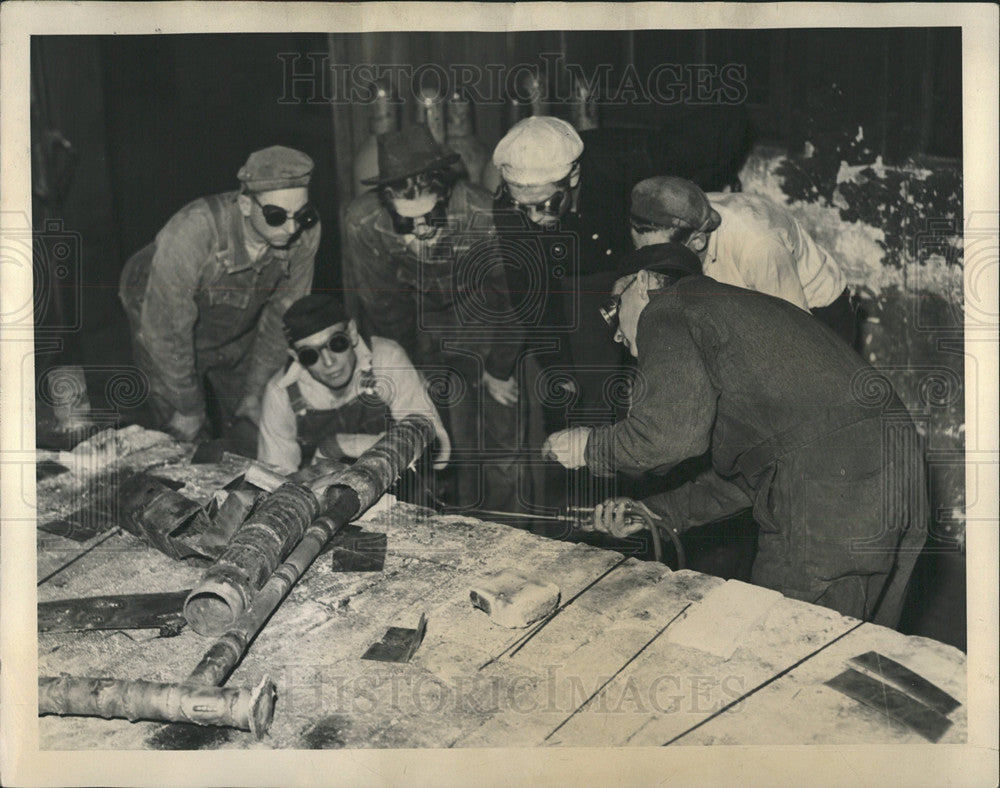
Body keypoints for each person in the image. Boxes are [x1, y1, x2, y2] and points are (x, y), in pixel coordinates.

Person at [541, 242, 927, 628]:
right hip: (895, 465)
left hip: (828, 490)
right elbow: (753, 472)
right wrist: (659, 512)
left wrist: (587, 447)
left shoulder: (667, 306)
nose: (615, 337)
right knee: (858, 652)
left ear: (642, 284)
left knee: (782, 648)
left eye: (613, 310)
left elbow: (668, 437)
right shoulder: (731, 318)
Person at [342, 125, 526, 510]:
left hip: (483, 314)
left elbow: (514, 299)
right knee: (425, 431)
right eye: (407, 222)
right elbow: (383, 307)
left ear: (444, 193)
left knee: (502, 441)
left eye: (430, 215)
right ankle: (440, 521)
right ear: (387, 204)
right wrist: (410, 369)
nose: (422, 231)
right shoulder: (363, 223)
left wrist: (499, 367)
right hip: (418, 318)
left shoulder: (483, 213)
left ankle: (510, 531)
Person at [119, 145, 320, 442]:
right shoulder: (192, 232)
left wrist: (254, 393)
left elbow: (282, 317)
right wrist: (187, 407)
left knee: (258, 420)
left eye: (300, 214)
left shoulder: (306, 231)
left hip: (235, 318)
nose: (291, 228)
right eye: (277, 215)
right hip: (155, 310)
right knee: (185, 434)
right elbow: (167, 331)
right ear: (246, 205)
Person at [628, 176, 859, 346]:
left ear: (697, 241)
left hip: (817, 315)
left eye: (660, 255)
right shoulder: (681, 213)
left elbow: (793, 337)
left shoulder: (758, 246)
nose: (651, 265)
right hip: (750, 300)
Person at [257, 294, 450, 476]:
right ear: (296, 357)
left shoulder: (385, 358)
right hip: (322, 495)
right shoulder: (281, 394)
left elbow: (431, 437)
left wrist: (344, 445)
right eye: (310, 355)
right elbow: (276, 477)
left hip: (400, 482)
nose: (329, 362)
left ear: (352, 333)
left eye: (337, 343)